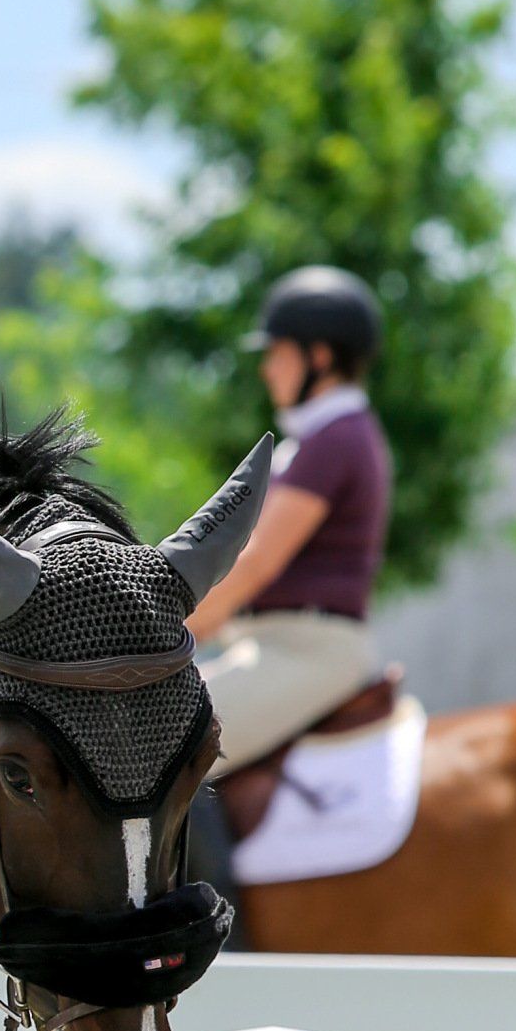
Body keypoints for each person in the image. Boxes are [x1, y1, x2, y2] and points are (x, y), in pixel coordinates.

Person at [186, 266, 393, 771]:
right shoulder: (321, 439)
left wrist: (165, 634)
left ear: (318, 357)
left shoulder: (337, 439)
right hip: (273, 646)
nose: (267, 370)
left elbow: (256, 563)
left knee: (160, 749)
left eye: (277, 354)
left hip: (308, 653)